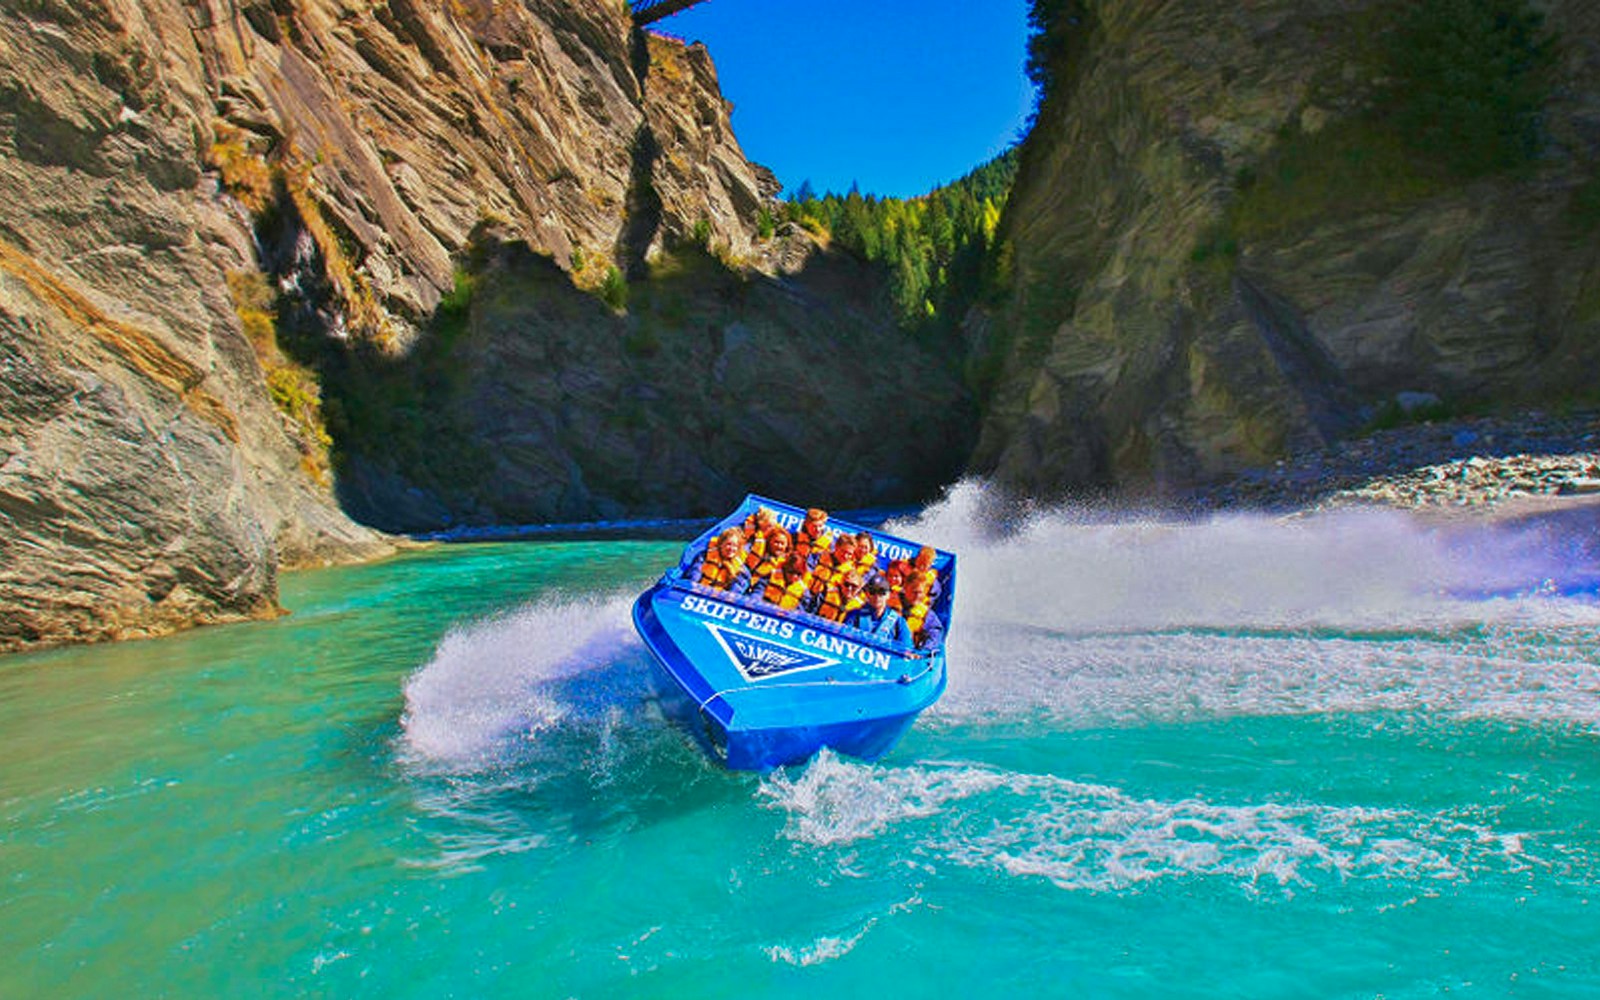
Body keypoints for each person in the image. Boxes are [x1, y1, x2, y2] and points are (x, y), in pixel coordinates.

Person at [844, 572, 913, 645]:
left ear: (889, 595)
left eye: (882, 592)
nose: (877, 596)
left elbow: (906, 649)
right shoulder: (854, 615)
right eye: (872, 592)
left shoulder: (899, 622)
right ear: (867, 593)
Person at [687, 528, 750, 593]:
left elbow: (735, 590)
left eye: (735, 546)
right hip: (698, 592)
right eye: (728, 544)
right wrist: (693, 586)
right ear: (720, 544)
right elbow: (695, 571)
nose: (731, 548)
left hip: (719, 599)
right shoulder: (704, 556)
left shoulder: (741, 570)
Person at [893, 572, 942, 649]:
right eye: (914, 592)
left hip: (907, 653)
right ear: (905, 588)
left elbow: (935, 634)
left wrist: (924, 647)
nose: (917, 596)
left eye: (920, 593)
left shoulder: (927, 614)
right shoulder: (887, 600)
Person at [745, 527, 793, 594]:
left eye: (782, 543)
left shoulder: (787, 564)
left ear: (787, 546)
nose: (779, 546)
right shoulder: (759, 555)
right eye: (776, 542)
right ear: (770, 541)